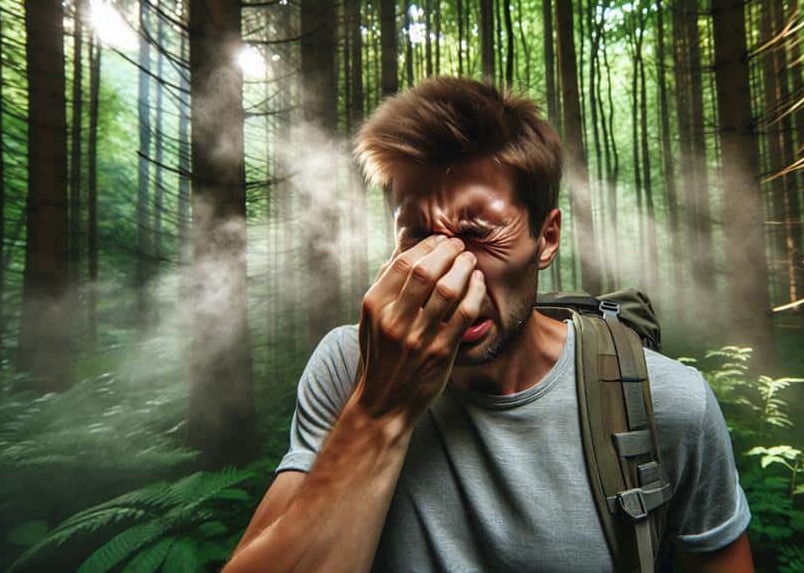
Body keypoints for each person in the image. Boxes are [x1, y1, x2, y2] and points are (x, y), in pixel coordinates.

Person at [222, 77, 753, 573]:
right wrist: (380, 407)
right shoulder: (349, 366)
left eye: (477, 233)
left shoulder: (672, 404)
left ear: (546, 239)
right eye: (415, 237)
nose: (445, 275)